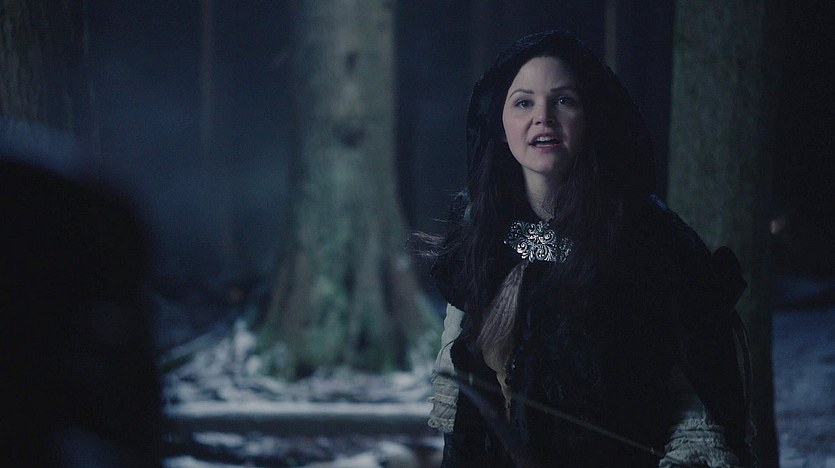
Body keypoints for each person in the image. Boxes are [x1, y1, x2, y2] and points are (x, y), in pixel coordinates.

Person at [423, 30, 753, 467]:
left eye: (564, 100)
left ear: (590, 117)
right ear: (499, 126)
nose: (542, 117)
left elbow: (698, 397)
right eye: (523, 103)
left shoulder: (649, 240)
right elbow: (461, 401)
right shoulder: (479, 232)